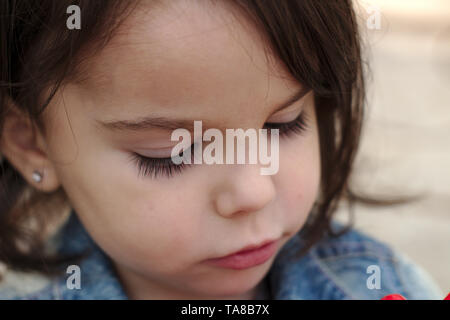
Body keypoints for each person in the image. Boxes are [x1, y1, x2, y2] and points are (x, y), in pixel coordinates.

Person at [0, 0, 443, 299]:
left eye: (282, 125)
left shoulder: (384, 282)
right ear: (31, 143)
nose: (255, 191)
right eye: (172, 151)